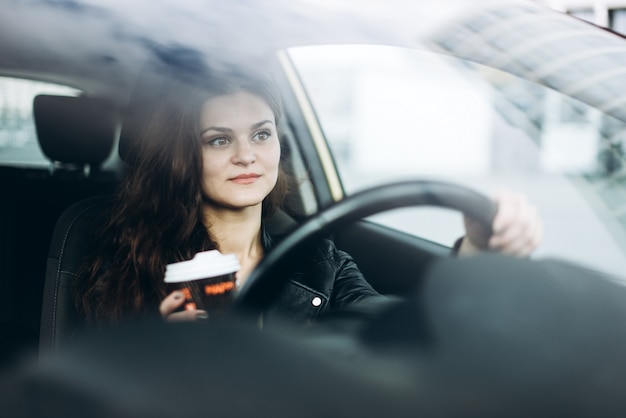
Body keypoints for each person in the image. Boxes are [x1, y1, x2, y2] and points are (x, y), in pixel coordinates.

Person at [75, 65, 543, 327]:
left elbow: (394, 327)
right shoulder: (130, 267)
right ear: (183, 157)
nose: (247, 156)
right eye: (219, 140)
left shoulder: (320, 262)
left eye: (261, 135)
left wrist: (477, 256)